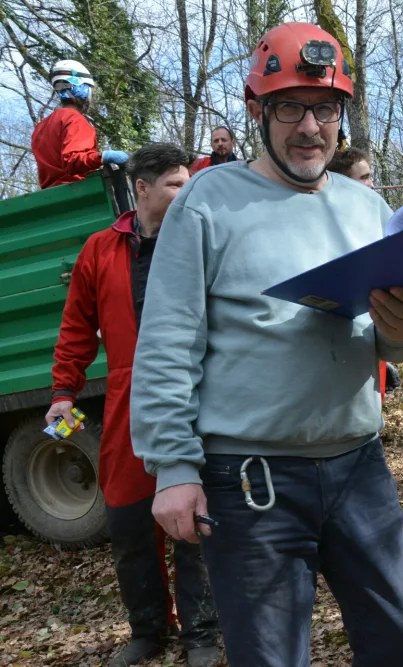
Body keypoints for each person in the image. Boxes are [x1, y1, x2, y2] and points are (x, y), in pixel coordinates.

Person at [129, 22, 403, 667]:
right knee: (270, 658)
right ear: (255, 110)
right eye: (289, 107)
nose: (309, 127)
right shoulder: (210, 202)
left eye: (324, 109)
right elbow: (166, 340)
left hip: (358, 467)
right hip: (250, 479)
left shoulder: (366, 207)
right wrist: (174, 468)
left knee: (399, 640)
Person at [46, 143, 220, 667]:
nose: (185, 192)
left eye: (188, 183)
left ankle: (202, 635)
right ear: (141, 189)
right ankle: (148, 630)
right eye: (173, 184)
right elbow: (77, 326)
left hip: (197, 396)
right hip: (126, 399)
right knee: (128, 525)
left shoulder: (200, 242)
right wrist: (62, 393)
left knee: (195, 519)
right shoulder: (100, 249)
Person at [328, 145, 401, 402]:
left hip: (371, 334)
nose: (371, 185)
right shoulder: (326, 227)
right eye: (364, 177)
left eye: (371, 176)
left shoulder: (374, 221)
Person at [31, 60, 129, 189]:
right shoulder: (74, 118)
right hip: (79, 191)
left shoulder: (40, 127)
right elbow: (73, 161)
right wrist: (104, 156)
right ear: (81, 87)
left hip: (50, 196)